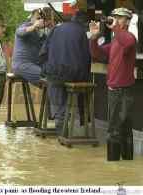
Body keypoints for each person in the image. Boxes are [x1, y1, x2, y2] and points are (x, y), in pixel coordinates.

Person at [89, 8, 136, 161]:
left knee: (116, 129)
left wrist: (115, 28)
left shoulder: (129, 37)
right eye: (114, 17)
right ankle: (123, 165)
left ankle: (114, 164)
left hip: (123, 90)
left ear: (128, 21)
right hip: (115, 90)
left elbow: (127, 43)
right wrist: (94, 38)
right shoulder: (116, 40)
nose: (115, 20)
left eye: (120, 18)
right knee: (121, 128)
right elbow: (97, 54)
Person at [39, 10, 91, 134]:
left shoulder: (56, 29)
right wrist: (85, 78)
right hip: (73, 74)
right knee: (82, 88)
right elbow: (86, 58)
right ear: (85, 23)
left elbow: (42, 53)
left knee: (58, 105)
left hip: (54, 73)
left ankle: (60, 128)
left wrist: (45, 69)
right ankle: (82, 119)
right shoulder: (82, 33)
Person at [11, 8, 53, 85]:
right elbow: (20, 32)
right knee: (47, 77)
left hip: (32, 64)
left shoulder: (40, 33)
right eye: (38, 18)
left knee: (52, 73)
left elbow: (49, 45)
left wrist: (50, 27)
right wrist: (34, 26)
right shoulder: (25, 25)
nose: (39, 20)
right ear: (31, 17)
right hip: (22, 65)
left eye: (41, 18)